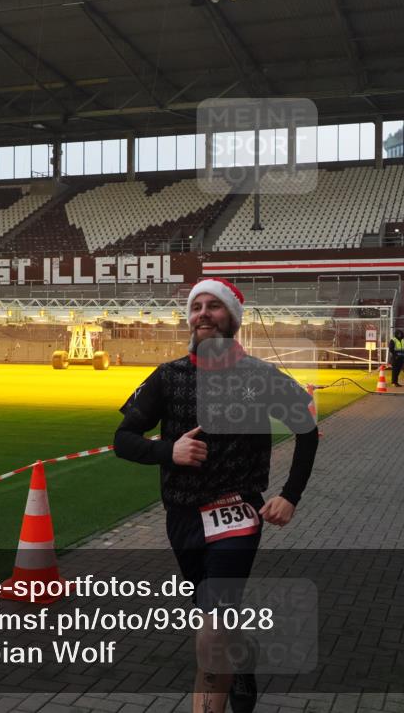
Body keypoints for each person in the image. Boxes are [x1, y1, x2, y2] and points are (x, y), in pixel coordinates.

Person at [114, 277, 319, 713]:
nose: (203, 313)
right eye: (196, 306)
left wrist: (290, 495)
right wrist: (168, 450)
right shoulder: (168, 377)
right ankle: (242, 656)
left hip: (237, 512)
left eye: (214, 306)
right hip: (182, 514)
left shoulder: (260, 376)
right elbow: (124, 438)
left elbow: (307, 429)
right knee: (215, 618)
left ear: (233, 319)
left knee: (211, 625)